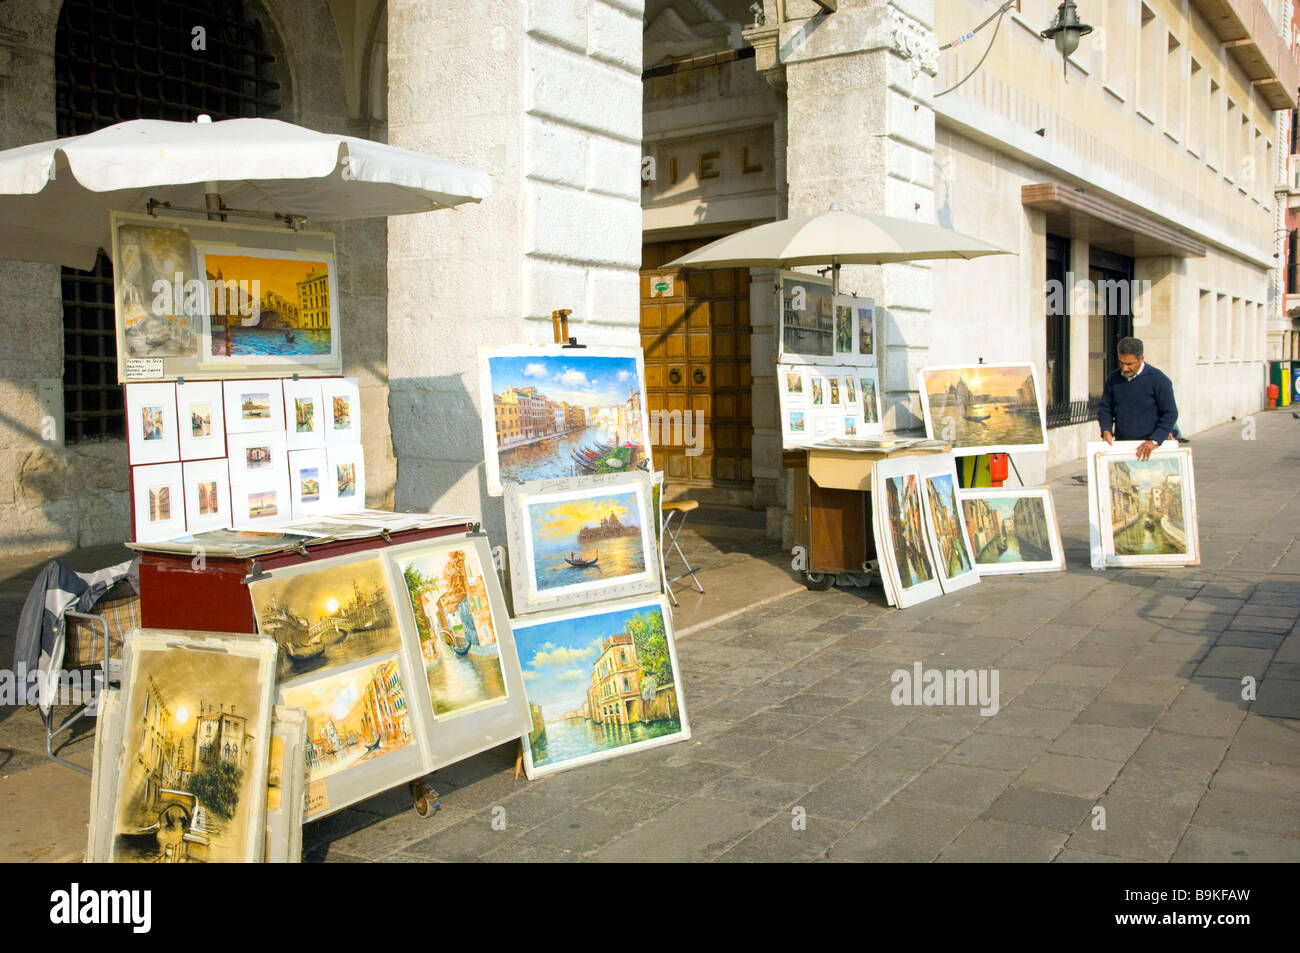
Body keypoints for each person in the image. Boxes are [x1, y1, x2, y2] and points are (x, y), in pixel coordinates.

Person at [1098, 336, 1178, 461]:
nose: (1124, 368)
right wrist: (1106, 430)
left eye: (1129, 364)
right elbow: (1105, 408)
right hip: (1123, 446)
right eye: (1121, 363)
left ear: (1141, 359)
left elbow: (1170, 413)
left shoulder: (1159, 380)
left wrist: (1154, 440)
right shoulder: (1113, 379)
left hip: (1151, 449)